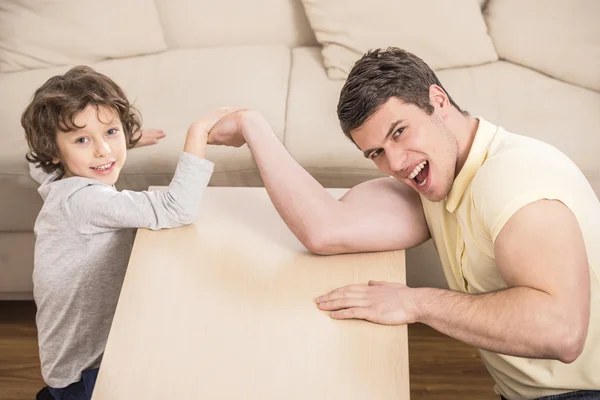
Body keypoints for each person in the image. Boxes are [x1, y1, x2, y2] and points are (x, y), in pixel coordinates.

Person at [206, 48, 600, 399]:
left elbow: (561, 332)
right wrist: (253, 127)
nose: (395, 163)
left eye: (399, 132)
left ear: (438, 101)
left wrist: (415, 302)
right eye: (376, 151)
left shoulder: (511, 178)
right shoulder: (436, 180)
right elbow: (326, 229)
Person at [22, 65, 229, 400]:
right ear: (54, 152)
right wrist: (199, 133)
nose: (103, 151)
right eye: (82, 140)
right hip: (88, 373)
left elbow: (36, 163)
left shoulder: (55, 180)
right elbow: (176, 208)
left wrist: (124, 138)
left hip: (67, 359)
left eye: (111, 132)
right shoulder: (85, 200)